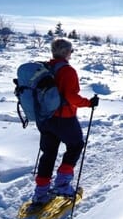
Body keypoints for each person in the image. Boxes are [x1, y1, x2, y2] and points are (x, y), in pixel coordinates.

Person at [32, 37, 99, 205]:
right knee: (76, 145)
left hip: (45, 119)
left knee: (48, 154)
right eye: (71, 50)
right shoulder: (68, 71)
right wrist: (89, 103)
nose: (71, 53)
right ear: (65, 52)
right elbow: (71, 97)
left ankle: (41, 193)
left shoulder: (46, 68)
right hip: (64, 118)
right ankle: (62, 184)